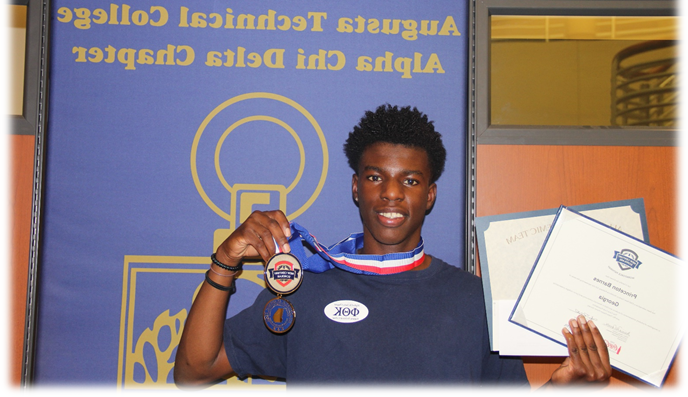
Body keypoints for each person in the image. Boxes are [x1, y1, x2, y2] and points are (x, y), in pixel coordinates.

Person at [174, 104, 612, 387]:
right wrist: (225, 261)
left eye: (410, 180)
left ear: (430, 195)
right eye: (375, 177)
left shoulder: (473, 299)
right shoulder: (305, 288)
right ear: (356, 188)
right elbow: (194, 371)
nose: (391, 193)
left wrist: (563, 386)